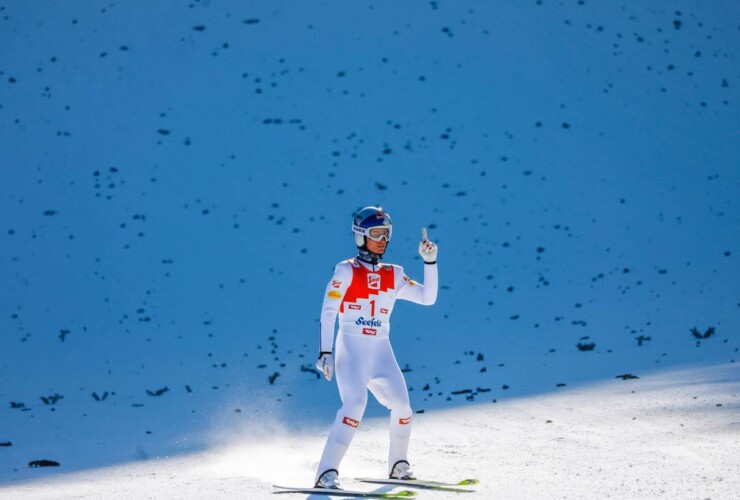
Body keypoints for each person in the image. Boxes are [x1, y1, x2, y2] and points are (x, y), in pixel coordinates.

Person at [314, 206, 439, 489]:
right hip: (352, 347)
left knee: (403, 408)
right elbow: (328, 311)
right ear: (360, 236)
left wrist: (430, 263)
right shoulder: (345, 270)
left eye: (387, 234)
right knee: (354, 406)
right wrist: (325, 352)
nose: (383, 239)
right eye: (376, 233)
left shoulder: (394, 274)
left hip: (381, 350)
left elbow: (427, 298)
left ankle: (398, 465)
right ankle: (325, 473)